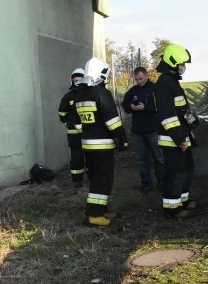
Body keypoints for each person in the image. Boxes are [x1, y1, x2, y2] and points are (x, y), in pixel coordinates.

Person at [75, 57, 128, 226]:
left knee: (96, 178)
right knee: (103, 179)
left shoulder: (80, 94)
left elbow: (77, 122)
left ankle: (102, 210)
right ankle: (94, 215)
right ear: (101, 73)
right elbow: (112, 120)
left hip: (87, 145)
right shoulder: (101, 93)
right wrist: (122, 138)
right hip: (102, 145)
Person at [154, 43, 198, 219]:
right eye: (182, 64)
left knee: (187, 169)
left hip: (181, 136)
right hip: (172, 140)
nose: (184, 68)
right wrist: (180, 139)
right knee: (175, 173)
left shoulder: (172, 82)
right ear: (173, 63)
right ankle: (172, 208)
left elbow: (181, 110)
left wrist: (191, 125)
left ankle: (182, 201)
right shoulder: (164, 84)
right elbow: (168, 117)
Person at [121, 66, 165, 193]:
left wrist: (145, 107)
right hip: (138, 131)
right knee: (141, 160)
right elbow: (125, 106)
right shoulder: (133, 91)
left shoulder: (155, 89)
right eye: (137, 79)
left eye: (141, 79)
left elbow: (160, 107)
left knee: (159, 158)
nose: (139, 81)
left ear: (147, 76)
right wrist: (131, 107)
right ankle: (146, 184)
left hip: (153, 129)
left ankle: (162, 182)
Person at [58, 67, 86, 191]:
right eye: (75, 80)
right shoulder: (68, 97)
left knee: (90, 157)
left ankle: (90, 178)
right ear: (72, 81)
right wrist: (69, 124)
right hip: (74, 134)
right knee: (76, 157)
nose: (78, 82)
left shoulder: (89, 94)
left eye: (80, 80)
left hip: (88, 133)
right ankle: (77, 181)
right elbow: (62, 114)